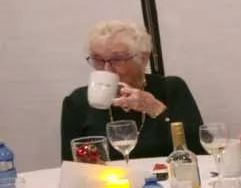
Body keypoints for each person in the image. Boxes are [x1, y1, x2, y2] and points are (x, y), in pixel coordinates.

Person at [59, 20, 204, 161]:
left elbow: (199, 150)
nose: (106, 69)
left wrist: (156, 108)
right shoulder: (77, 102)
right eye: (98, 59)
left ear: (143, 58)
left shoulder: (171, 89)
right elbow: (71, 165)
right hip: (105, 183)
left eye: (117, 59)